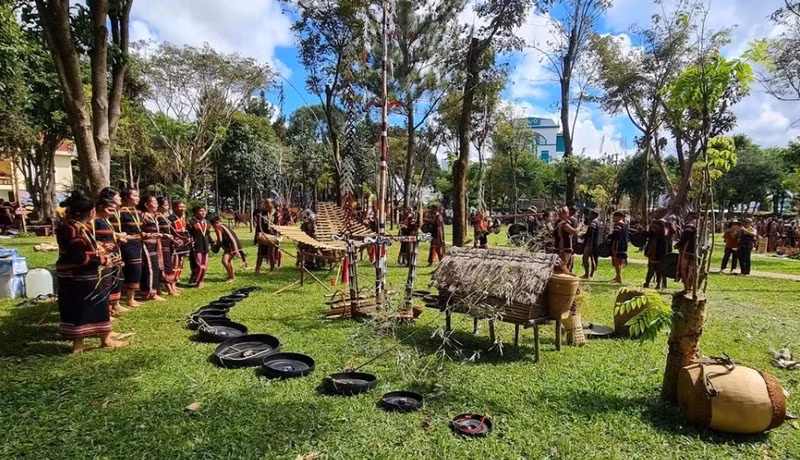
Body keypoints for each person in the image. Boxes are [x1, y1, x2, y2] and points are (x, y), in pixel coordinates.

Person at [56, 192, 127, 353]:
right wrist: (100, 258)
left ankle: (86, 343)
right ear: (91, 212)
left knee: (83, 306)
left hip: (77, 275)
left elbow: (84, 249)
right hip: (79, 276)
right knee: (88, 305)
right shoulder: (73, 229)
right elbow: (79, 256)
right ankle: (97, 341)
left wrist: (99, 249)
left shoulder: (73, 226)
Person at [93, 190, 126, 317]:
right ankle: (104, 311)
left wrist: (118, 236)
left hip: (114, 255)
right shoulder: (95, 221)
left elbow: (109, 234)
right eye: (109, 210)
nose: (112, 213)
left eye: (113, 210)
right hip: (104, 258)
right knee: (104, 283)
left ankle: (113, 305)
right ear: (100, 207)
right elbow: (92, 239)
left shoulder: (105, 220)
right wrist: (101, 246)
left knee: (115, 280)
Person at [116, 188, 144, 307]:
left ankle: (131, 297)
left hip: (138, 244)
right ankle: (126, 299)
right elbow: (118, 229)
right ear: (126, 198)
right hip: (126, 244)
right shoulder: (121, 212)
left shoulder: (138, 212)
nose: (137, 198)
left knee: (137, 269)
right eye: (135, 195)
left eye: (138, 195)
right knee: (131, 269)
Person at [138, 195, 166, 301]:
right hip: (146, 244)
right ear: (146, 204)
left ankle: (153, 289)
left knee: (156, 266)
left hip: (155, 244)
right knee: (150, 267)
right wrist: (153, 235)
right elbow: (139, 232)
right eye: (153, 202)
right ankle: (150, 292)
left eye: (156, 203)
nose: (156, 205)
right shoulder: (143, 216)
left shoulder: (154, 216)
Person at [210, 215, 247, 282]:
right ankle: (231, 275)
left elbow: (220, 240)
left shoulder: (218, 228)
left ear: (214, 223)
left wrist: (215, 245)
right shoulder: (224, 226)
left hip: (231, 246)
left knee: (224, 261)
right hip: (236, 244)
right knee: (229, 260)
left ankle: (232, 277)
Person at [156, 198, 179, 296]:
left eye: (167, 205)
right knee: (164, 266)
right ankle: (168, 289)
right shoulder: (157, 216)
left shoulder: (164, 216)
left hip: (168, 244)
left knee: (169, 265)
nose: (167, 207)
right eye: (165, 205)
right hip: (161, 244)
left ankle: (171, 287)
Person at [644, 208, 670, 290]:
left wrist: (643, 232)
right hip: (664, 247)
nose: (655, 214)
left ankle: (647, 283)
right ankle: (659, 284)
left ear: (662, 214)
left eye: (657, 212)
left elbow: (651, 234)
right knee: (660, 266)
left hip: (655, 248)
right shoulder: (667, 224)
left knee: (652, 266)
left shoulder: (656, 223)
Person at [168, 200, 192, 285]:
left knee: (181, 263)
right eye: (180, 207)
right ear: (174, 208)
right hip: (175, 244)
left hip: (183, 244)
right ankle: (171, 283)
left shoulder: (183, 218)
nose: (182, 209)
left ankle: (176, 280)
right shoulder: (170, 219)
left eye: (184, 207)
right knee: (175, 263)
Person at [188, 205, 212, 288]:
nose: (203, 213)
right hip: (196, 247)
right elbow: (188, 234)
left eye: (204, 211)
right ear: (195, 213)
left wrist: (212, 242)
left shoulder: (207, 222)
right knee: (199, 265)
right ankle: (199, 281)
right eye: (201, 211)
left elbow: (208, 234)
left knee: (205, 265)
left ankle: (199, 279)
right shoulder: (191, 223)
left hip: (205, 246)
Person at [254, 199, 280, 274]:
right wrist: (258, 234)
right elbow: (259, 225)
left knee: (271, 253)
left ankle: (271, 270)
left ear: (272, 204)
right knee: (260, 253)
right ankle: (257, 270)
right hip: (263, 235)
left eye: (267, 203)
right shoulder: (262, 213)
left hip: (272, 236)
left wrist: (278, 235)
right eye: (265, 203)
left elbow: (279, 225)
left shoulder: (277, 214)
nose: (266, 205)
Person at [675, 211, 698, 292]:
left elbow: (685, 238)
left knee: (683, 269)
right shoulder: (702, 225)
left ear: (690, 217)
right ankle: (690, 287)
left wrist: (677, 245)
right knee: (692, 269)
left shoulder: (690, 225)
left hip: (687, 250)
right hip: (698, 251)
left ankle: (687, 287)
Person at [553, 206, 580, 272]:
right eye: (567, 213)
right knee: (563, 267)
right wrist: (580, 225)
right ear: (562, 214)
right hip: (564, 249)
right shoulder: (563, 224)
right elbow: (574, 232)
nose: (568, 215)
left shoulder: (558, 223)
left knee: (563, 267)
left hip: (561, 248)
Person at [608, 210, 628, 283]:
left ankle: (619, 277)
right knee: (619, 261)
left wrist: (608, 237)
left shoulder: (618, 225)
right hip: (623, 245)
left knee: (616, 261)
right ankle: (617, 276)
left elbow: (616, 235)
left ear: (619, 217)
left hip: (617, 245)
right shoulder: (625, 225)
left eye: (614, 217)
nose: (613, 218)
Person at [581, 210, 599, 279]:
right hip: (596, 243)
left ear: (593, 215)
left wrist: (583, 236)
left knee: (585, 258)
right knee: (593, 258)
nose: (589, 216)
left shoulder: (593, 222)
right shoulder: (598, 223)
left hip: (590, 243)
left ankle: (586, 274)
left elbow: (589, 232)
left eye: (591, 215)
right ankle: (591, 273)